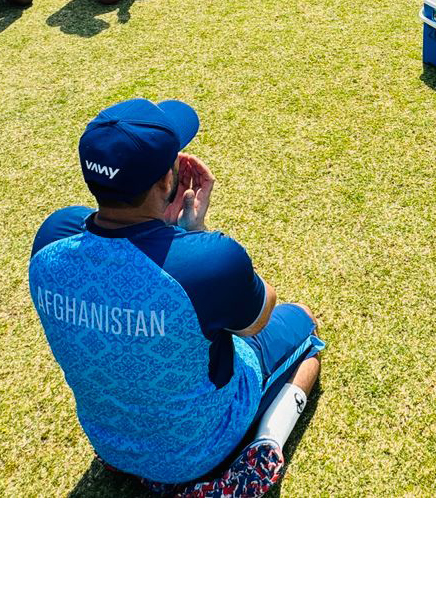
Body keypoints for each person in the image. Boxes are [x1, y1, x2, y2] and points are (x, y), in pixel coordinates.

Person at [30, 99, 324, 488]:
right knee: (305, 327)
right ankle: (264, 447)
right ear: (167, 182)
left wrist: (169, 237)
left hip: (110, 444)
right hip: (202, 451)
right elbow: (261, 314)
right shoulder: (209, 261)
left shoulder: (52, 238)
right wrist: (192, 236)